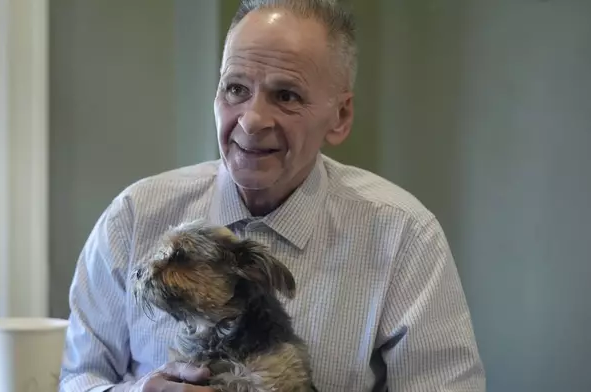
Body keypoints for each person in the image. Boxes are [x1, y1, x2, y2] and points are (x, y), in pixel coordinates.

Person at [59, 1, 486, 391]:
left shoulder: (404, 236)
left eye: (286, 95)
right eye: (235, 89)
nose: (251, 120)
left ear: (339, 116)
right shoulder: (133, 216)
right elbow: (78, 378)